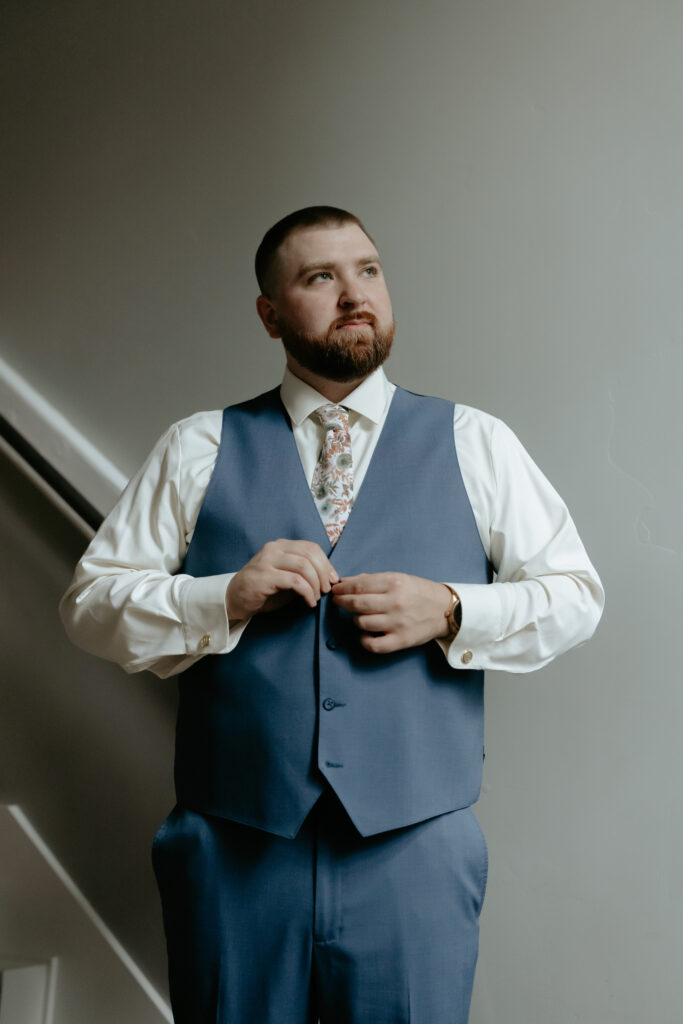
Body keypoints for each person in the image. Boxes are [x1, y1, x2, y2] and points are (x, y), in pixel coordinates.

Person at [60, 205, 604, 1024]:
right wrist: (220, 596)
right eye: (321, 277)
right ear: (270, 314)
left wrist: (454, 608)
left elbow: (574, 594)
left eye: (368, 271)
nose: (354, 295)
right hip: (232, 847)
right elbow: (89, 606)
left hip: (414, 849)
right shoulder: (197, 446)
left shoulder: (474, 441)